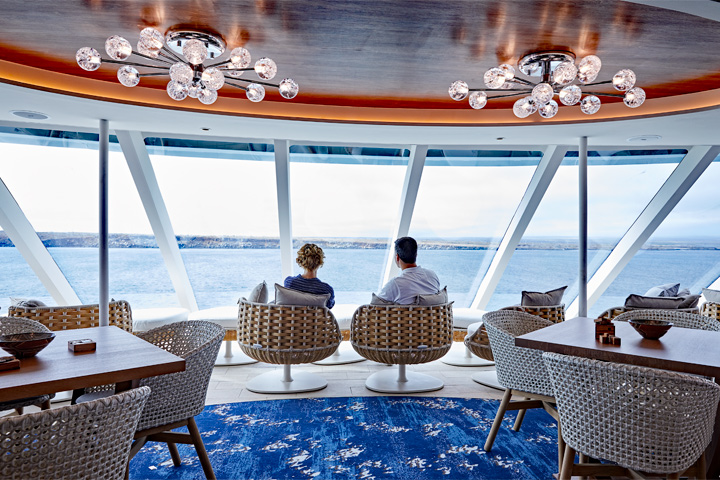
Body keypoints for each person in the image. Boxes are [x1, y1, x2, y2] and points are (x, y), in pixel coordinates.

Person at [377, 236, 440, 304]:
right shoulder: (432, 276)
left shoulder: (395, 284)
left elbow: (375, 305)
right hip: (433, 311)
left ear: (397, 257)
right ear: (416, 255)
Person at [284, 243, 335, 309]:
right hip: (316, 316)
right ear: (320, 262)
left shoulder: (289, 282)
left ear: (300, 261)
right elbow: (329, 307)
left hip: (294, 316)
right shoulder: (327, 290)